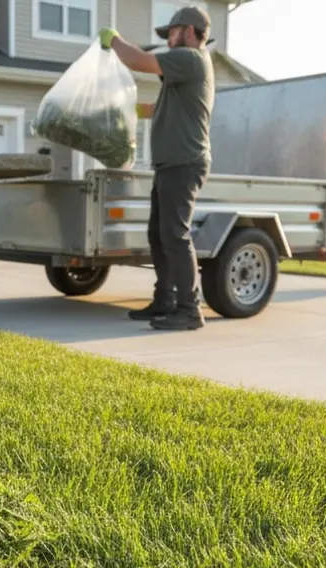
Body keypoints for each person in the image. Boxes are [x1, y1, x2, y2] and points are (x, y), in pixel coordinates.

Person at [99, 7, 215, 330]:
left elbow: (138, 61)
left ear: (189, 31)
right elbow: (159, 108)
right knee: (159, 235)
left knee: (175, 235)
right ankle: (165, 299)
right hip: (171, 164)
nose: (168, 40)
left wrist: (114, 40)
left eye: (172, 33)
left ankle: (190, 309)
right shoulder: (184, 71)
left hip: (184, 162)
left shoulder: (192, 58)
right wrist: (128, 109)